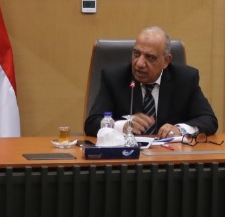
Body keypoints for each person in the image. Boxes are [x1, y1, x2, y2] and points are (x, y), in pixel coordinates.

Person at [83, 27, 218, 139]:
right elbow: (92, 123)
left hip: (170, 157)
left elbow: (208, 120)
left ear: (166, 61)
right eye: (136, 54)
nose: (139, 63)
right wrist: (122, 126)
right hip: (126, 157)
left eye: (150, 57)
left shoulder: (185, 79)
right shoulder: (114, 78)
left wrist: (181, 129)